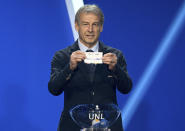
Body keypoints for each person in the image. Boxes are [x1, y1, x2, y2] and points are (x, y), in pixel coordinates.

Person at [48, 4, 132, 131]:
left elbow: (126, 88)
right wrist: (69, 67)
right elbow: (53, 89)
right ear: (77, 26)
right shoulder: (63, 56)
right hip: (73, 127)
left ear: (101, 27)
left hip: (107, 126)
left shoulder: (115, 55)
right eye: (85, 24)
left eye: (95, 24)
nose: (90, 29)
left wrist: (116, 69)